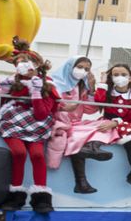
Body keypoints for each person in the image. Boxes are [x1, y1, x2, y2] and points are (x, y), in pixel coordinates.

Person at [0, 43, 59, 212]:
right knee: (19, 153)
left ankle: (41, 199)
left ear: (36, 64)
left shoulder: (47, 85)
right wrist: (4, 89)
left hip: (37, 123)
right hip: (13, 121)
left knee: (37, 155)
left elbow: (41, 114)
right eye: (18, 63)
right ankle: (15, 196)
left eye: (26, 61)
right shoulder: (13, 83)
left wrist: (36, 92)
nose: (22, 66)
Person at [45, 57, 114, 195]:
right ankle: (81, 182)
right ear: (70, 66)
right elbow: (46, 105)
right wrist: (62, 107)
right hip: (59, 123)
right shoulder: (52, 83)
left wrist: (92, 89)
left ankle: (92, 148)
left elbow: (90, 110)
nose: (82, 71)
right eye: (80, 67)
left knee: (107, 124)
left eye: (86, 69)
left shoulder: (81, 86)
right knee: (76, 138)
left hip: (76, 124)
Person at [95, 62, 131, 193]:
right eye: (116, 75)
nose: (120, 77)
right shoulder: (109, 93)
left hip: (128, 125)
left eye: (123, 74)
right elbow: (99, 101)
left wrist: (117, 122)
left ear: (130, 77)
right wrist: (103, 83)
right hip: (111, 126)